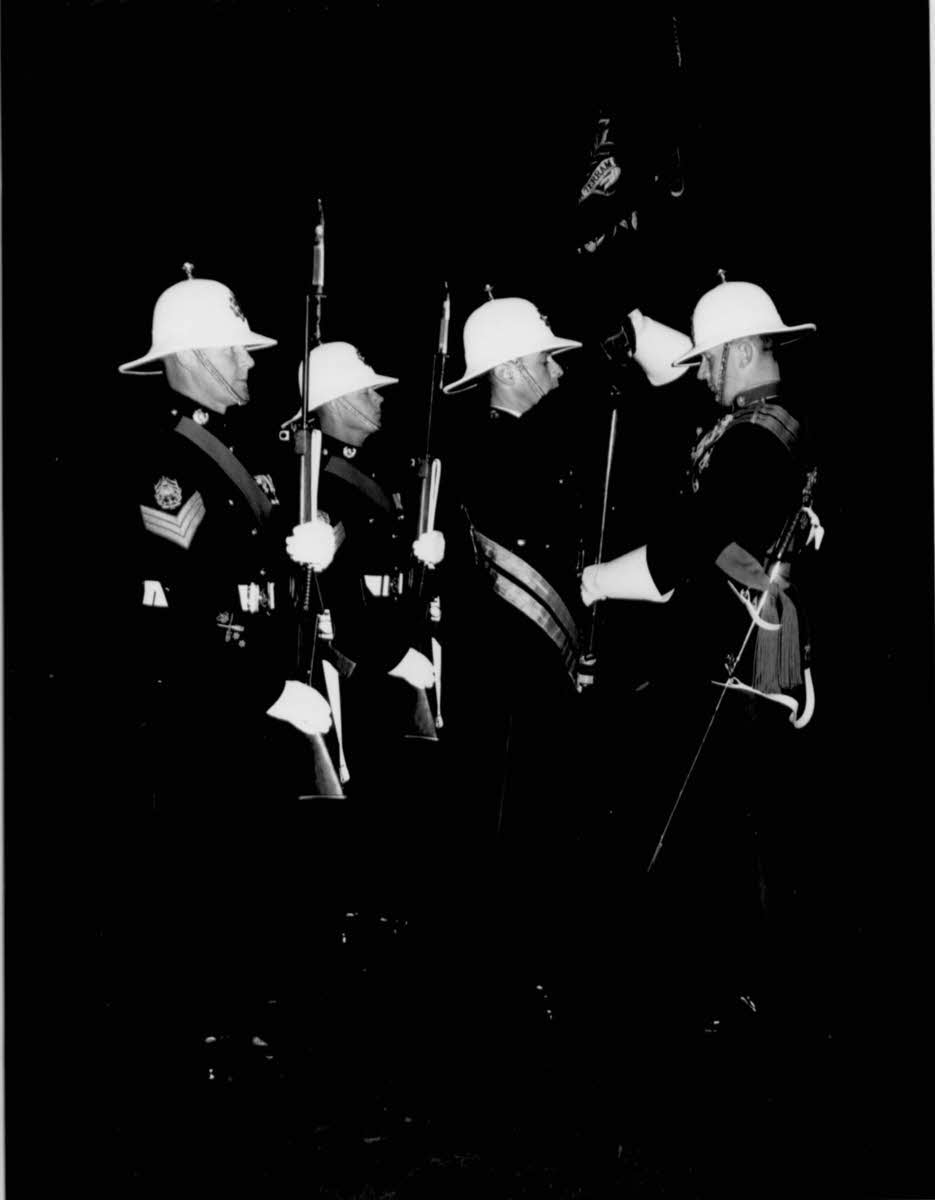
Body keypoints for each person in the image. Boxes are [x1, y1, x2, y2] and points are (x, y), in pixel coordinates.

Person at [580, 279, 822, 1026]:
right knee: (739, 831)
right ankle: (748, 989)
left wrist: (599, 579)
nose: (703, 373)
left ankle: (746, 998)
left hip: (738, 661)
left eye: (711, 359)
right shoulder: (767, 424)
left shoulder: (751, 440)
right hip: (749, 653)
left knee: (728, 836)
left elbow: (685, 549)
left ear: (743, 350)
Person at [119, 265, 341, 1037]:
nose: (250, 360)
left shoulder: (240, 450)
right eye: (236, 348)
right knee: (207, 875)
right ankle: (207, 1038)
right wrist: (265, 690)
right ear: (194, 356)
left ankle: (250, 1018)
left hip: (255, 693)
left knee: (255, 871)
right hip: (207, 705)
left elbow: (259, 565)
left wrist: (310, 544)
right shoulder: (166, 464)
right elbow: (182, 605)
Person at [291, 341, 445, 844]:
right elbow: (329, 589)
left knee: (407, 804)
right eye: (368, 391)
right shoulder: (317, 481)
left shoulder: (384, 467)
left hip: (400, 643)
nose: (380, 399)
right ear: (338, 400)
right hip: (360, 665)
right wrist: (391, 655)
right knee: (366, 806)